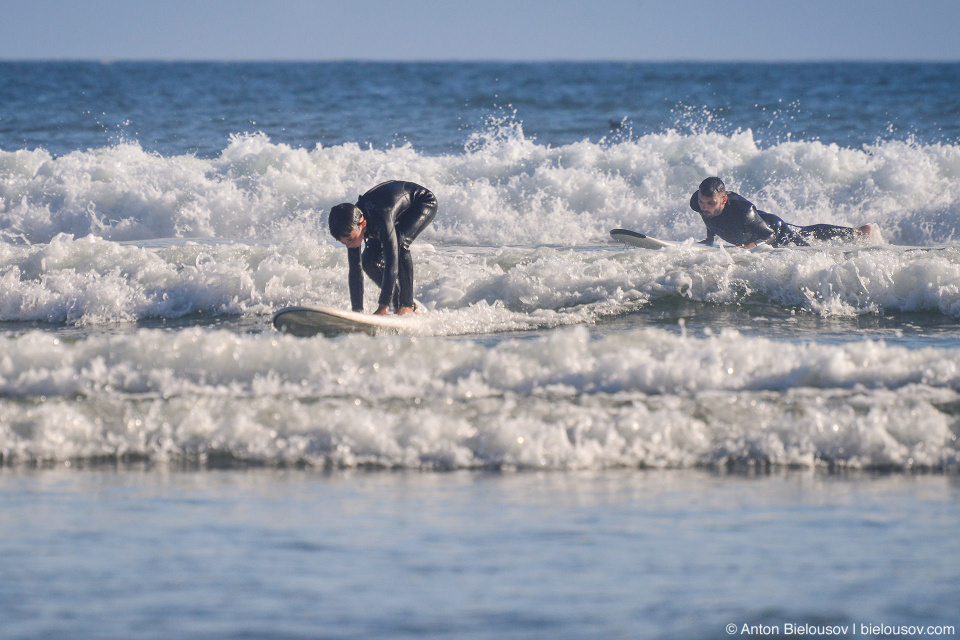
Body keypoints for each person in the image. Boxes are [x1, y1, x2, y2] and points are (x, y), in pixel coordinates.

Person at [328, 180, 437, 315]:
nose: (349, 245)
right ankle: (398, 302)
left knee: (400, 245)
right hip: (387, 212)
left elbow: (392, 259)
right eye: (344, 242)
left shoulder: (381, 221)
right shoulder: (351, 225)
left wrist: (382, 306)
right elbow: (355, 270)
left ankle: (407, 305)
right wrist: (357, 310)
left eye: (350, 240)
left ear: (362, 224)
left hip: (421, 202)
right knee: (368, 262)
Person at [690, 177, 876, 248]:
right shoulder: (700, 203)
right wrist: (709, 239)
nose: (704, 206)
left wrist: (750, 247)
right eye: (701, 201)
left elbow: (768, 234)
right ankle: (857, 232)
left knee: (806, 242)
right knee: (805, 231)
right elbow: (710, 219)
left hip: (773, 228)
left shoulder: (744, 211)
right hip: (753, 229)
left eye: (710, 203)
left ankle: (858, 233)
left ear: (723, 200)